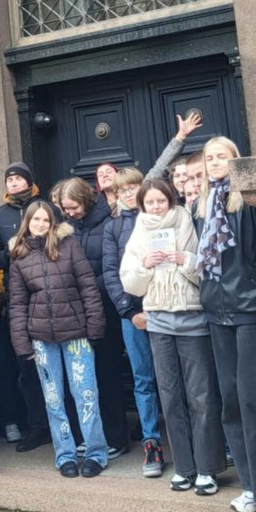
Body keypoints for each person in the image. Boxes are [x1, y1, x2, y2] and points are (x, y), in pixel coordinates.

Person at [195, 136, 256, 512]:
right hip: (217, 314)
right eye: (209, 158)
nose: (215, 162)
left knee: (255, 401)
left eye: (222, 157)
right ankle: (251, 487)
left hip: (252, 312)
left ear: (236, 161)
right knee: (231, 402)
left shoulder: (248, 203)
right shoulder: (201, 207)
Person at [121, 179, 225, 496]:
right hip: (159, 321)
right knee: (170, 396)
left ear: (170, 200)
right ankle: (184, 467)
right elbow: (130, 283)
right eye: (150, 202)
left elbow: (207, 269)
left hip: (192, 318)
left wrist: (184, 259)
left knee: (201, 395)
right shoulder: (139, 229)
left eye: (161, 201)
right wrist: (145, 266)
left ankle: (207, 469)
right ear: (142, 205)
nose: (156, 207)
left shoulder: (186, 221)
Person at [9, 201, 108, 478]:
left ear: (52, 222)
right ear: (27, 222)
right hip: (42, 339)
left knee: (86, 396)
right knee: (53, 400)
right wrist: (22, 344)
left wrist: (95, 327)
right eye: (35, 219)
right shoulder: (19, 255)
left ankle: (95, 453)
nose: (40, 224)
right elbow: (17, 303)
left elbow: (88, 286)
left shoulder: (69, 245)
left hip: (76, 335)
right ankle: (65, 454)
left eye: (45, 220)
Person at [59, 176, 129, 458]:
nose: (70, 213)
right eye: (66, 208)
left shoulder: (109, 222)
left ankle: (115, 436)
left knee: (107, 374)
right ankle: (87, 435)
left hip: (104, 308)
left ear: (86, 201)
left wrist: (85, 286)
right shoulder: (67, 227)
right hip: (76, 312)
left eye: (73, 207)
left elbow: (113, 267)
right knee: (80, 378)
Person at [102, 167, 164, 478]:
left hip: (167, 309)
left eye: (132, 187)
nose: (128, 194)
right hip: (134, 315)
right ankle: (152, 442)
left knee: (178, 379)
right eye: (121, 190)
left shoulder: (161, 216)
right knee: (143, 380)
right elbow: (111, 274)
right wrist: (129, 312)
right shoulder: (113, 228)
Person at [0, 162, 52, 450]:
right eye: (9, 179)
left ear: (29, 181)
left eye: (18, 178)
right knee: (25, 369)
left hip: (48, 296)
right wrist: (11, 250)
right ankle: (35, 426)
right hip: (15, 298)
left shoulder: (46, 208)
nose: (13, 183)